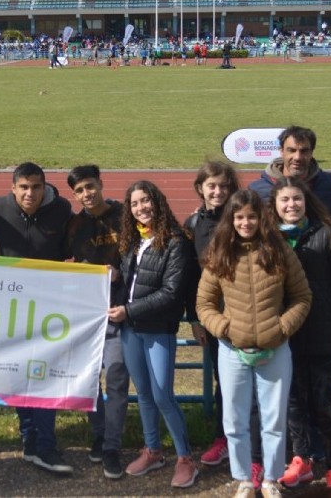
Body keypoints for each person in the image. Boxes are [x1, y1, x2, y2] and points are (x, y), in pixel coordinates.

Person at [196, 189, 312, 498]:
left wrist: (282, 327)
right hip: (232, 350)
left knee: (273, 420)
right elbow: (204, 303)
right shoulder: (219, 253)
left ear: (262, 218)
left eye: (251, 216)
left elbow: (302, 297)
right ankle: (245, 479)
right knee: (234, 420)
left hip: (275, 349)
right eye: (239, 217)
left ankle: (271, 479)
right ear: (230, 220)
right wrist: (224, 328)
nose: (245, 223)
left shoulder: (279, 251)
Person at [0, 162, 74, 474]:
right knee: (19, 374)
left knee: (44, 373)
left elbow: (80, 240)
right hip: (11, 308)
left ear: (45, 187)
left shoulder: (61, 210)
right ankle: (29, 440)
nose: (30, 193)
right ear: (13, 188)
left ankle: (46, 444)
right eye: (24, 187)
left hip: (50, 308)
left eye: (36, 187)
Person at [109, 180, 199, 489]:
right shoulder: (132, 240)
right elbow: (130, 285)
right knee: (144, 394)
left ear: (157, 202)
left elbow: (172, 293)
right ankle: (153, 450)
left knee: (162, 395)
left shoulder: (176, 241)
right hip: (130, 330)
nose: (141, 208)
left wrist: (129, 311)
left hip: (157, 329)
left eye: (145, 201)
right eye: (134, 204)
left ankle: (185, 458)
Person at [268, 179, 331, 489]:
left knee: (322, 404)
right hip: (285, 336)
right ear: (275, 205)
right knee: (293, 403)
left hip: (322, 335)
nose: (291, 205)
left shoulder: (328, 236)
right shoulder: (269, 238)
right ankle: (301, 459)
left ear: (306, 202)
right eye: (285, 200)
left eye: (297, 199)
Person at [64, 164, 129, 480]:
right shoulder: (74, 225)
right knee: (88, 381)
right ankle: (100, 434)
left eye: (90, 187)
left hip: (120, 311)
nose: (86, 194)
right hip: (87, 315)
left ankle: (112, 446)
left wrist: (121, 274)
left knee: (116, 377)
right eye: (79, 190)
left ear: (101, 185)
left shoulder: (124, 215)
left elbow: (145, 256)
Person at [182, 160, 241, 469]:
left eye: (224, 186)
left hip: (248, 314)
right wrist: (195, 318)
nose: (218, 191)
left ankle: (253, 445)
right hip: (215, 319)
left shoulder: (244, 218)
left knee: (253, 382)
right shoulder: (193, 226)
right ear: (201, 189)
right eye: (212, 186)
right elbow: (191, 277)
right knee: (225, 383)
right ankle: (224, 439)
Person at [249, 126, 331, 220]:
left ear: (311, 152)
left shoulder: (327, 183)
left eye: (304, 151)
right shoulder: (258, 190)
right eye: (291, 150)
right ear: (281, 151)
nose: (297, 157)